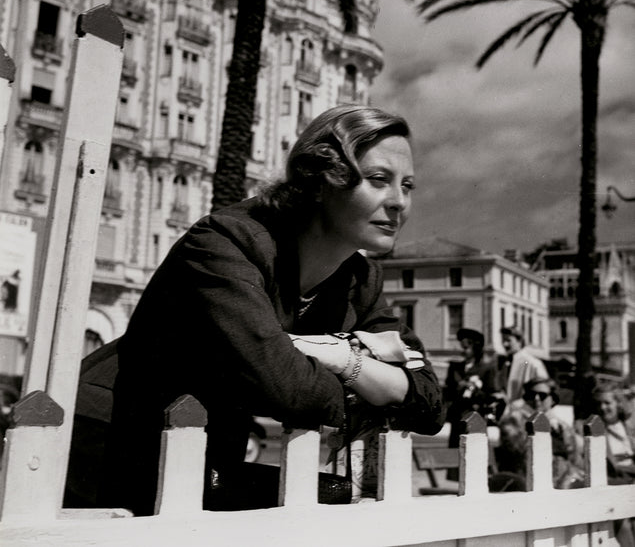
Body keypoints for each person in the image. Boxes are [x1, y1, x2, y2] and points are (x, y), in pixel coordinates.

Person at [65, 105, 445, 515]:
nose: (399, 203)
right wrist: (373, 374)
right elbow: (286, 386)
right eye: (378, 180)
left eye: (407, 186)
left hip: (201, 454)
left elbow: (429, 403)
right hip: (109, 441)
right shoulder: (225, 243)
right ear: (319, 180)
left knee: (333, 493)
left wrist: (343, 358)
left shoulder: (360, 280)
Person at [492, 377, 583, 491]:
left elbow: (575, 459)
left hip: (561, 485)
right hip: (525, 484)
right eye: (531, 395)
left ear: (552, 399)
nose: (536, 399)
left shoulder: (561, 426)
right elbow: (519, 449)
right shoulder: (513, 419)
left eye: (542, 395)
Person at [589, 383, 635, 546]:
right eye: (599, 404)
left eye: (607, 403)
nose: (603, 408)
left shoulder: (629, 428)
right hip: (616, 486)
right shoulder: (595, 430)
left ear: (618, 403)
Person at [444, 328, 502, 448]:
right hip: (457, 418)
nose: (463, 351)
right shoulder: (455, 367)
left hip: (476, 416)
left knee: (476, 450)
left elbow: (491, 394)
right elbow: (447, 391)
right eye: (462, 347)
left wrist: (476, 390)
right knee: (456, 449)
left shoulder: (486, 369)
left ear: (475, 347)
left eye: (466, 348)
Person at [498, 326, 548, 413]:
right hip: (509, 416)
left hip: (527, 414)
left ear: (519, 341)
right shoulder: (506, 363)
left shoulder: (532, 363)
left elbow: (544, 393)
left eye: (508, 340)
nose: (504, 344)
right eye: (503, 340)